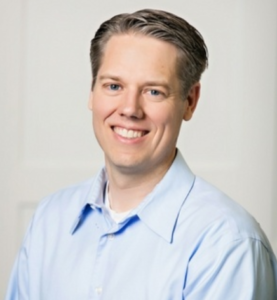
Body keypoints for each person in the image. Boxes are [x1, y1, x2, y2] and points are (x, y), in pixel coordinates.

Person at [5, 9, 277, 300]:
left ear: (189, 101)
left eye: (154, 92)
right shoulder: (49, 220)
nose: (130, 109)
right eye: (113, 86)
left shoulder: (227, 243)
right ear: (92, 91)